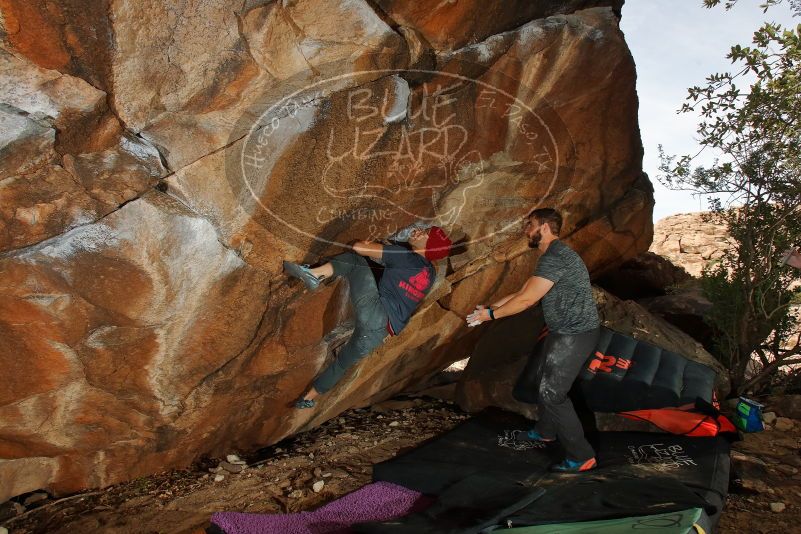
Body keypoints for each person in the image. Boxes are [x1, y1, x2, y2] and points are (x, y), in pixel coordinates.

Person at [466, 208, 600, 473]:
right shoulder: (552, 256)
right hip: (562, 331)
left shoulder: (556, 257)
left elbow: (527, 301)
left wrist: (491, 315)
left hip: (574, 334)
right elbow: (522, 291)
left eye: (530, 225)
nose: (526, 230)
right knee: (545, 383)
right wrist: (487, 309)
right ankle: (545, 431)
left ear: (545, 227)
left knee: (552, 393)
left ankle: (582, 456)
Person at [284, 225, 452, 409]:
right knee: (342, 364)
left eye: (425, 234)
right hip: (382, 331)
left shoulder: (405, 256)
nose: (419, 231)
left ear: (430, 246)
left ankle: (314, 275)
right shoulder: (430, 272)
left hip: (376, 313)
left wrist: (373, 245)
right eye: (424, 229)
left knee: (355, 261)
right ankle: (308, 398)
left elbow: (359, 249)